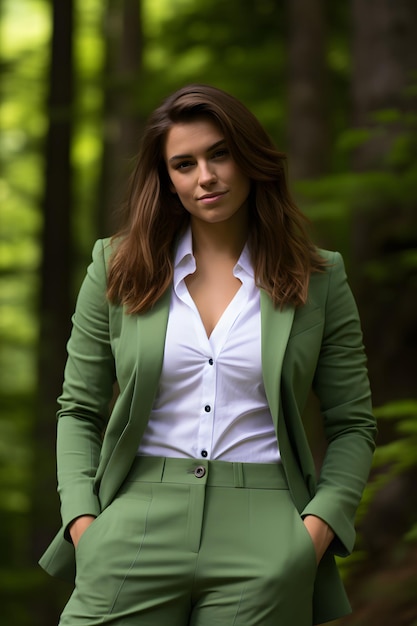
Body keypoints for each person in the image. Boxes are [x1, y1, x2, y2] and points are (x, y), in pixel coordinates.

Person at [39, 84, 377, 626]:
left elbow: (352, 424)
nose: (206, 176)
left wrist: (314, 533)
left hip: (266, 529)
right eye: (184, 163)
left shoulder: (320, 278)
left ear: (249, 156)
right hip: (134, 522)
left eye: (219, 153)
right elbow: (78, 409)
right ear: (167, 179)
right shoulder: (117, 266)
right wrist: (83, 520)